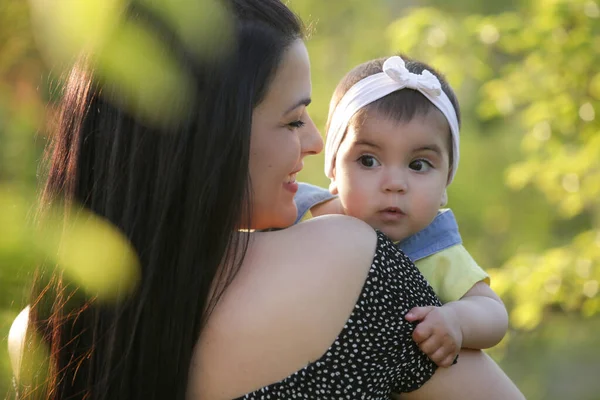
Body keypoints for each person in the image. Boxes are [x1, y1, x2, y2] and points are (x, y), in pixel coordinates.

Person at [9, 0, 525, 399]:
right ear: (212, 138)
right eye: (293, 119)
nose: (316, 142)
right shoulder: (342, 258)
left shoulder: (40, 334)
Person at [293, 54, 508, 367]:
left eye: (418, 165)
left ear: (445, 181)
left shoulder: (435, 250)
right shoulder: (301, 214)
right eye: (368, 161)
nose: (394, 184)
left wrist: (455, 321)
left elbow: (493, 313)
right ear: (334, 169)